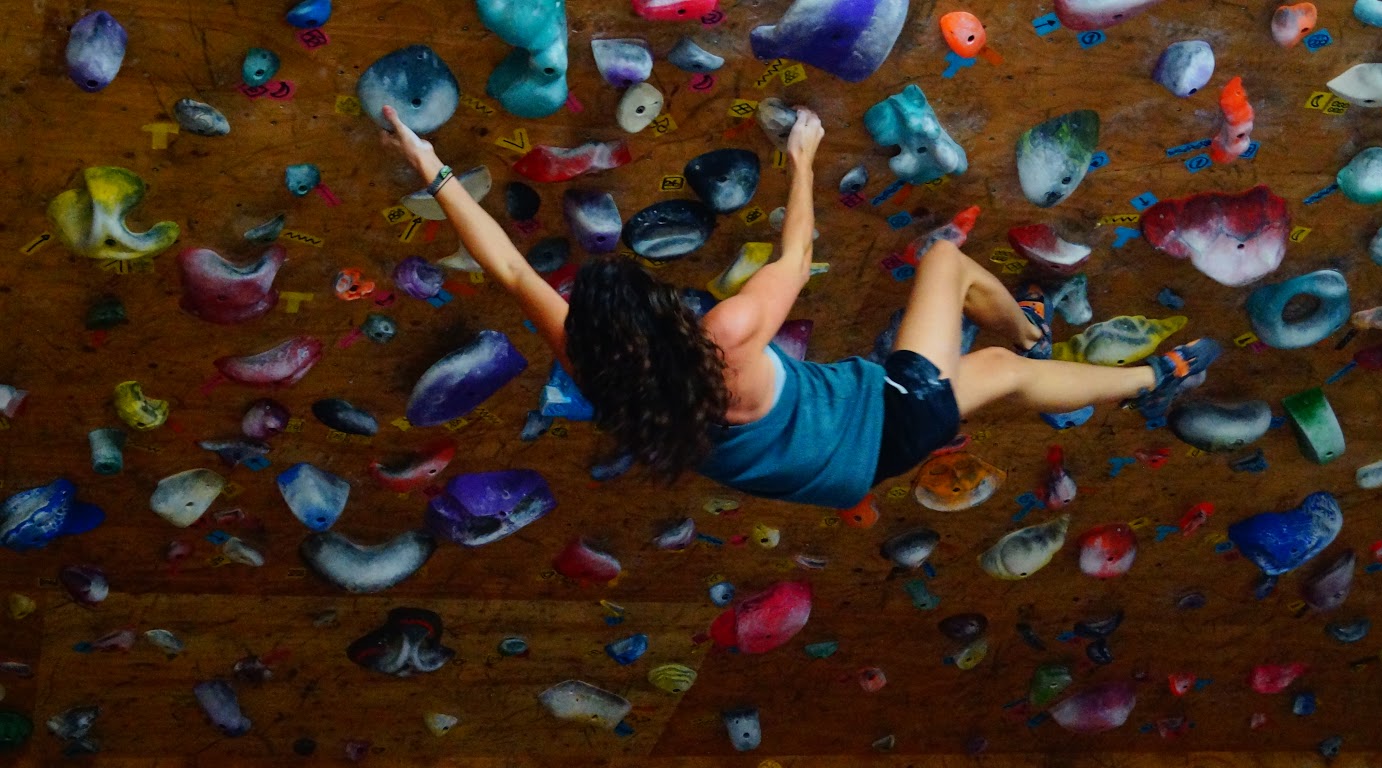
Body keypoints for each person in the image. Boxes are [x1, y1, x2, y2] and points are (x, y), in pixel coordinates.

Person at [380, 104, 1220, 511]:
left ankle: (1072, 347)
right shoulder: (725, 333)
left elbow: (508, 270)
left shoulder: (597, 370)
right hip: (878, 425)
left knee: (993, 373)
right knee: (948, 268)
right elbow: (797, 254)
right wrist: (804, 160)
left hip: (828, 477)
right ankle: (1094, 351)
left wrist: (433, 168)